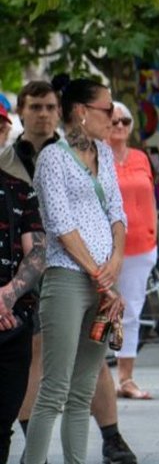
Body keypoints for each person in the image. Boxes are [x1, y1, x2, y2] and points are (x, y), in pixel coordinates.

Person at [3, 80, 137, 464]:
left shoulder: (106, 154)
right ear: (81, 111)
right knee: (54, 389)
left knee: (81, 392)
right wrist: (102, 276)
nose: (114, 116)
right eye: (107, 109)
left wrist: (115, 266)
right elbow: (61, 225)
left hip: (103, 282)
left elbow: (117, 213)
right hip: (67, 278)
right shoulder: (53, 158)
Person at [109, 101, 157, 401]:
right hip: (108, 248)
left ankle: (125, 378)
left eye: (125, 121)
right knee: (100, 313)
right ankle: (94, 382)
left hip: (142, 245)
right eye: (114, 121)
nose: (120, 126)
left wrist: (156, 236)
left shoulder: (140, 157)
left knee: (132, 312)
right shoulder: (96, 156)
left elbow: (149, 197)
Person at [0, 168, 44, 464]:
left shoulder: (19, 188)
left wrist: (7, 295)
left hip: (12, 322)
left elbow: (38, 252)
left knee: (2, 423)